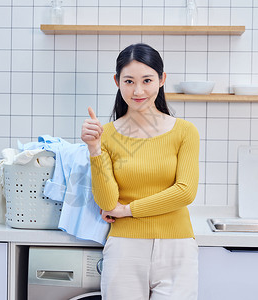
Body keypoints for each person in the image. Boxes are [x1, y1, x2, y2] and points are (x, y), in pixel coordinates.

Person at [81, 43, 200, 300]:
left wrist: (128, 210)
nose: (138, 90)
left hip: (177, 245)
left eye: (147, 80)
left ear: (161, 80)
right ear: (117, 81)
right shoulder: (108, 135)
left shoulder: (185, 131)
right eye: (129, 81)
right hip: (124, 246)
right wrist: (94, 150)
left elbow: (185, 192)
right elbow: (106, 201)